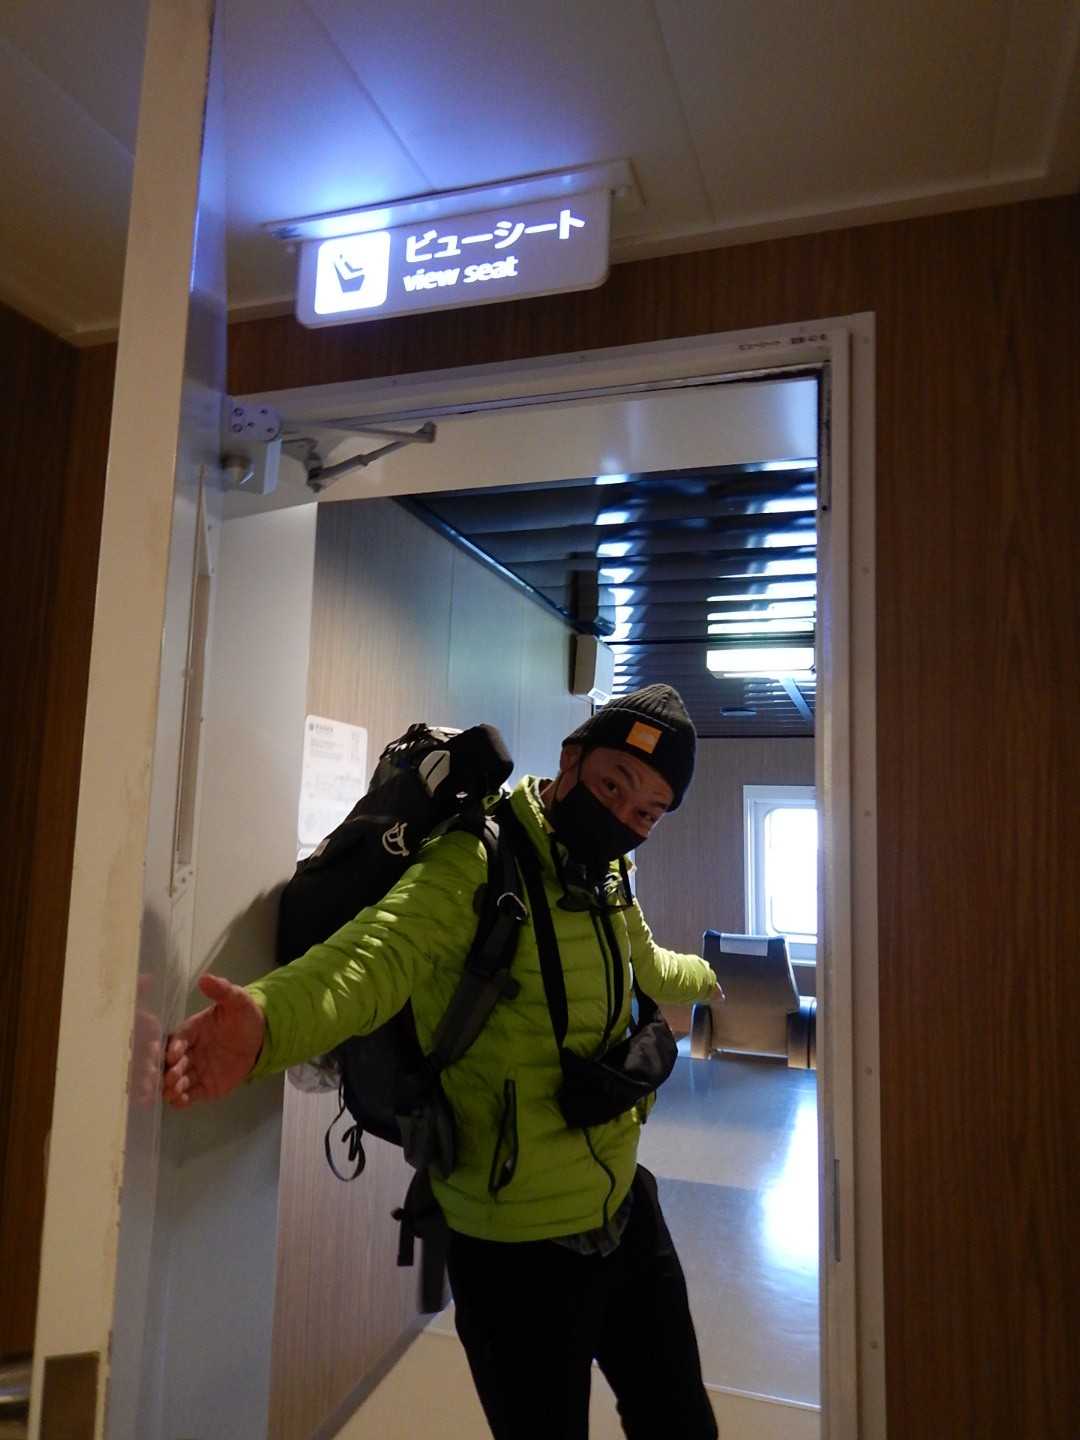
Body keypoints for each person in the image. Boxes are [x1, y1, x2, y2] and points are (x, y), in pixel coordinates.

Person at [162, 684, 722, 1439]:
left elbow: (645, 962)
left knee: (682, 1423)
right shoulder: (476, 862)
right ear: (572, 759)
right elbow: (372, 959)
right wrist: (264, 1025)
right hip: (515, 1249)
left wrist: (707, 977)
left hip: (623, 1205)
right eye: (612, 786)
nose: (624, 817)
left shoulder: (609, 877)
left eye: (647, 813)